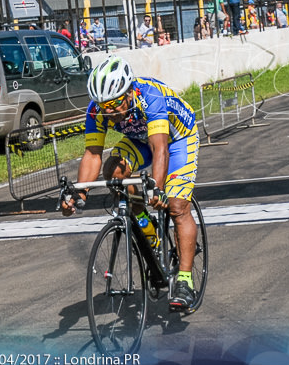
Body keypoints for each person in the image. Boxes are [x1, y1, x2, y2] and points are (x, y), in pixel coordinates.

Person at [62, 57, 201, 313]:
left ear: (129, 92)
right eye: (104, 106)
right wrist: (79, 192)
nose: (109, 112)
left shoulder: (150, 97)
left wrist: (156, 189)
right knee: (115, 171)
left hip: (177, 138)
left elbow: (160, 149)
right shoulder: (97, 109)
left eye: (114, 104)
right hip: (139, 138)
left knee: (176, 205)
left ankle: (184, 281)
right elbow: (93, 153)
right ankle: (150, 235)